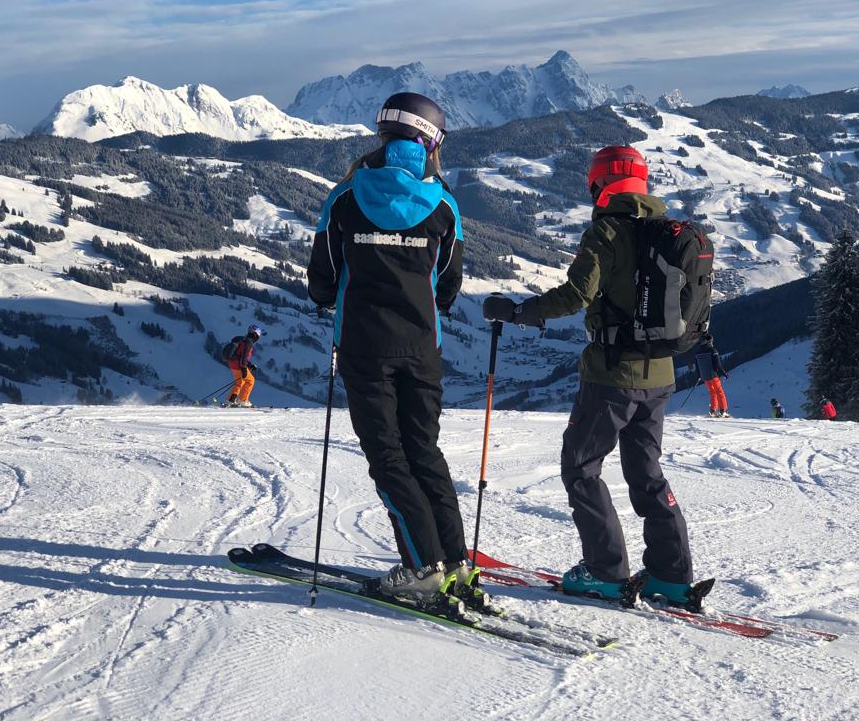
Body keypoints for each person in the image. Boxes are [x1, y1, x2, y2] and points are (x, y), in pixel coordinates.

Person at [483, 145, 698, 607]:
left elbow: (575, 295)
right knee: (647, 473)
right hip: (660, 374)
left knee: (580, 467)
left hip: (611, 376)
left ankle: (605, 571)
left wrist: (519, 311)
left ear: (599, 185)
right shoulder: (665, 231)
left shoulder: (607, 232)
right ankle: (672, 575)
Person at [307, 92, 469, 604]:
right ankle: (455, 562)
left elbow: (323, 278)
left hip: (363, 346)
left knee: (387, 456)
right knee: (423, 450)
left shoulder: (347, 196)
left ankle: (423, 567)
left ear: (383, 135)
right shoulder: (443, 204)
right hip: (421, 349)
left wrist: (336, 296)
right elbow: (448, 283)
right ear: (431, 145)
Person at [694, 334, 730, 418]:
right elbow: (718, 364)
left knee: (712, 392)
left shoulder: (698, 352)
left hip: (705, 376)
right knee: (720, 392)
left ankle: (713, 410)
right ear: (709, 341)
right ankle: (723, 410)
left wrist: (699, 376)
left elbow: (697, 366)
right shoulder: (712, 350)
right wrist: (724, 373)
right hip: (713, 375)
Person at [225, 326, 261, 407]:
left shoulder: (243, 340)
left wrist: (249, 365)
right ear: (256, 335)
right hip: (239, 365)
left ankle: (231, 400)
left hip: (232, 364)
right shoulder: (249, 342)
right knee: (250, 381)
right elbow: (243, 357)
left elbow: (240, 355)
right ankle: (243, 400)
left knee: (240, 382)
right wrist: (244, 368)